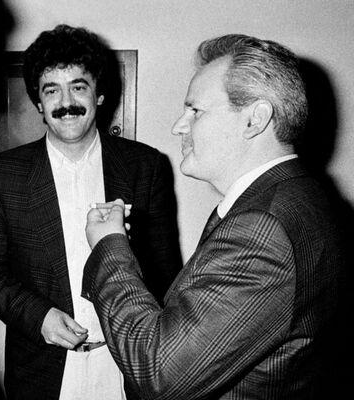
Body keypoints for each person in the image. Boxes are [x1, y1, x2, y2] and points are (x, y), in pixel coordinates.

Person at [83, 34, 343, 399]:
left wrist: (109, 246)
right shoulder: (298, 195)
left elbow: (159, 372)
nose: (178, 126)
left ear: (255, 119)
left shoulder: (263, 227)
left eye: (195, 111)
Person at [0, 24, 182, 400]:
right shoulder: (4, 175)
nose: (66, 102)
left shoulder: (145, 167)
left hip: (127, 368)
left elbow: (165, 271)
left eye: (78, 87)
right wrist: (39, 316)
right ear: (38, 103)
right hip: (42, 370)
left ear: (100, 94)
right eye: (52, 90)